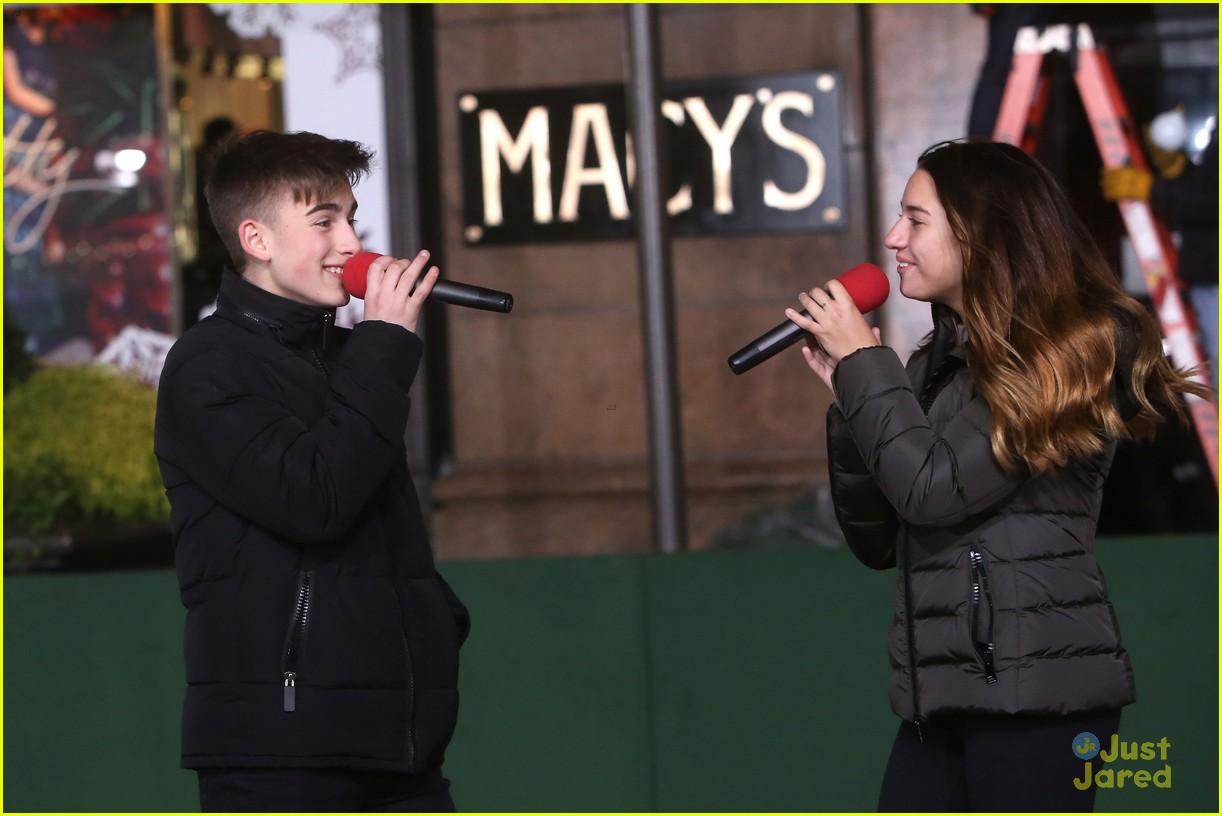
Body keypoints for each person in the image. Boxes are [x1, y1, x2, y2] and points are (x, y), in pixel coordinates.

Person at [785, 139, 1210, 812]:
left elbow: (932, 489)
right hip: (942, 701)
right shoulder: (936, 367)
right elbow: (878, 536)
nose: (894, 238)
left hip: (1035, 702)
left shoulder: (1061, 357)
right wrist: (853, 394)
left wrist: (869, 370)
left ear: (981, 234)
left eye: (916, 220)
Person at [154, 130, 470, 812]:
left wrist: (435, 620)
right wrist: (385, 344)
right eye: (323, 222)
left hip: (399, 747)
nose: (351, 244)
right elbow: (315, 499)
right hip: (281, 755)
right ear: (257, 239)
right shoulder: (207, 365)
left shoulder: (348, 358)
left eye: (351, 220)